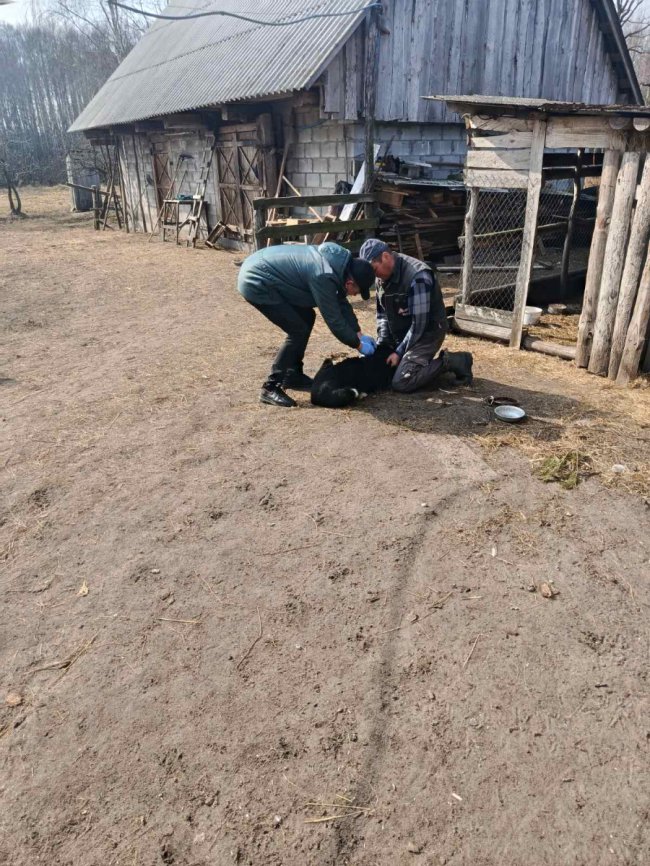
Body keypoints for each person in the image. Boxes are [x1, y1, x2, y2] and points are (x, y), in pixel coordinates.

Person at [238, 242, 377, 407]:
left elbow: (341, 302)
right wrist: (358, 345)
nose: (355, 295)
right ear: (349, 283)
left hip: (265, 271)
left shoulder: (339, 265)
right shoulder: (323, 276)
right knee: (298, 329)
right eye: (358, 291)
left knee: (306, 318)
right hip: (256, 280)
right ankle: (271, 386)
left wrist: (358, 332)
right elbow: (334, 320)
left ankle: (292, 374)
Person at [359, 239, 473, 391]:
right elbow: (383, 314)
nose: (374, 277)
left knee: (401, 382)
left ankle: (453, 361)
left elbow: (419, 326)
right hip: (402, 331)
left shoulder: (418, 277)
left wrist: (398, 353)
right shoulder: (382, 276)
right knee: (372, 361)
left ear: (385, 257)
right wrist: (383, 345)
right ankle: (407, 359)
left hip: (427, 333)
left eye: (374, 269)